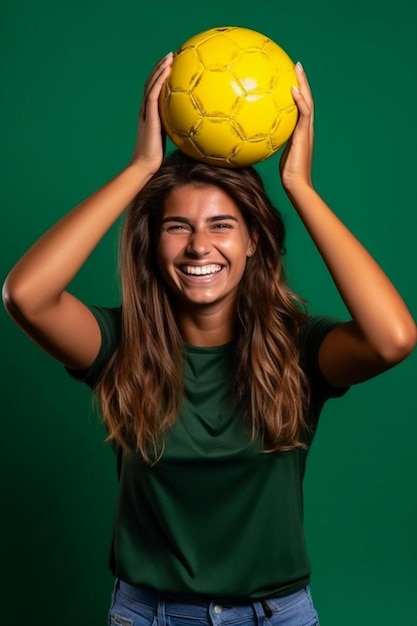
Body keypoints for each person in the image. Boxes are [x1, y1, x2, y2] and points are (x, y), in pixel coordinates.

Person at [3, 52, 416, 626]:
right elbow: (25, 295)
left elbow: (394, 337)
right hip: (150, 614)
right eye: (178, 226)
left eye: (222, 225)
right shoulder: (118, 343)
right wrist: (140, 169)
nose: (200, 246)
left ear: (254, 242)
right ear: (154, 244)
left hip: (277, 615)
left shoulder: (297, 349)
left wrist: (299, 185)